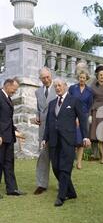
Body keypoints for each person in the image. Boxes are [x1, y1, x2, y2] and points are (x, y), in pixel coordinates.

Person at [42, 78, 91, 206]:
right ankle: (71, 192)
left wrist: (85, 137)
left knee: (65, 168)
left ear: (65, 86)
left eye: (59, 85)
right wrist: (44, 138)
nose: (57, 88)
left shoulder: (74, 101)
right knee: (56, 167)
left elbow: (83, 119)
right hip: (53, 140)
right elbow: (48, 123)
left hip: (68, 140)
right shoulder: (52, 103)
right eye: (55, 86)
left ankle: (61, 196)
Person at [0, 78, 26, 196]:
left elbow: (6, 119)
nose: (14, 92)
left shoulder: (8, 98)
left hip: (9, 137)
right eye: (14, 90)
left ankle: (12, 189)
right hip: (1, 138)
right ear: (7, 85)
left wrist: (15, 130)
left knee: (9, 163)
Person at [34, 67, 57, 195]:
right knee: (43, 156)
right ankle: (41, 184)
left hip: (56, 128)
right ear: (40, 79)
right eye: (43, 78)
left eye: (48, 77)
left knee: (58, 157)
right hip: (43, 129)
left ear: (51, 76)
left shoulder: (58, 87)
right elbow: (39, 108)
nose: (46, 80)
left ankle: (62, 184)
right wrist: (37, 115)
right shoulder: (38, 92)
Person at [69, 70, 93, 169]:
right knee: (72, 140)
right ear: (78, 78)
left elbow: (90, 105)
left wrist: (85, 117)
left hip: (83, 116)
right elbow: (69, 102)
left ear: (86, 79)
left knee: (81, 140)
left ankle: (79, 162)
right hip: (72, 116)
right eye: (80, 77)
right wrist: (73, 117)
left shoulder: (90, 91)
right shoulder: (72, 88)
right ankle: (70, 161)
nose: (82, 79)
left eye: (84, 78)